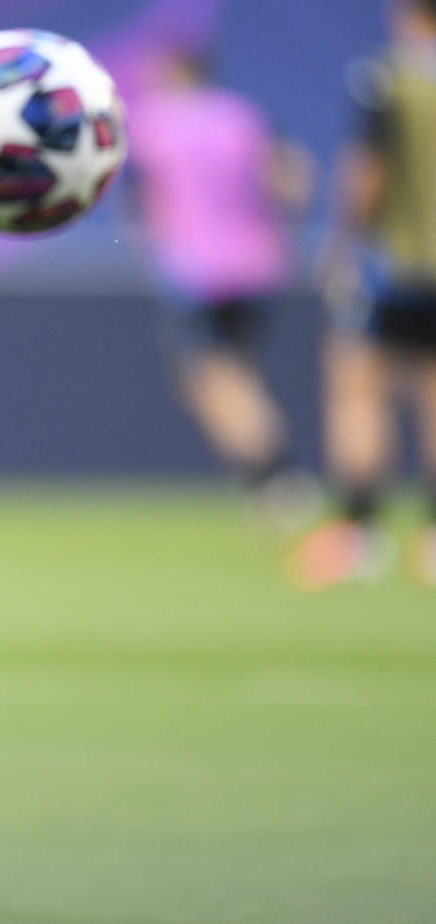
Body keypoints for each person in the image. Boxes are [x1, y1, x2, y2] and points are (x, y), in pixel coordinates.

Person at [127, 46, 316, 524]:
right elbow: (291, 179)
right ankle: (267, 481)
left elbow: (141, 197)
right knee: (236, 372)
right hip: (258, 264)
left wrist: (153, 244)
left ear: (175, 71)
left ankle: (277, 478)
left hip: (196, 271)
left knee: (212, 377)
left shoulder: (154, 122)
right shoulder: (242, 115)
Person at [293, 0, 436, 588]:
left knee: (356, 386)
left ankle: (359, 533)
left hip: (396, 264)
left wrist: (343, 242)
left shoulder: (389, 76)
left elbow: (368, 170)